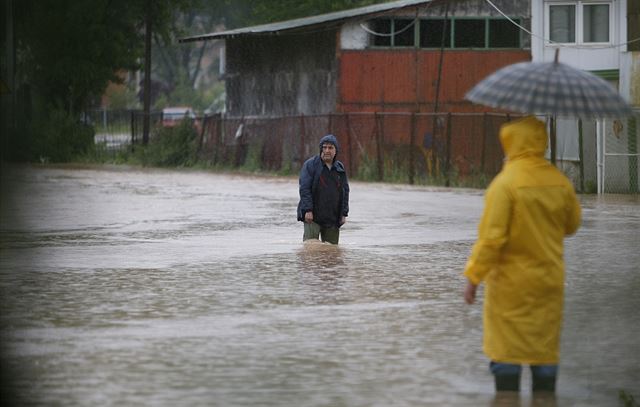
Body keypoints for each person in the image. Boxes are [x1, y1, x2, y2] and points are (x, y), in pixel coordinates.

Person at [462, 116, 581, 394]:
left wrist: (472, 278)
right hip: (549, 283)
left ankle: (507, 398)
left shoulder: (504, 185)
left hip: (510, 287)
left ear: (510, 143)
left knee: (506, 351)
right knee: (544, 350)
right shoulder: (560, 181)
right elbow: (572, 225)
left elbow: (491, 240)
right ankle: (544, 397)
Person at [297, 134, 349, 244]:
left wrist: (343, 213)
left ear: (336, 151)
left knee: (332, 253)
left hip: (332, 218)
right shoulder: (310, 165)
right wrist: (308, 210)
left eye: (330, 148)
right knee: (310, 250)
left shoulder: (339, 168)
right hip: (313, 217)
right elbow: (304, 189)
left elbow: (345, 191)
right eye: (324, 147)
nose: (327, 151)